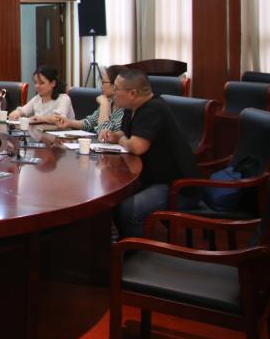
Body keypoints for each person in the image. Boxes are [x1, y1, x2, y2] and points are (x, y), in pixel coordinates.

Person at [104, 68, 200, 238]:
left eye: (116, 88)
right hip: (150, 178)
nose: (113, 92)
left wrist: (121, 139)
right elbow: (125, 134)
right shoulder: (131, 108)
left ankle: (135, 250)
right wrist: (115, 136)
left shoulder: (153, 109)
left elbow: (137, 146)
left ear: (133, 93)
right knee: (111, 199)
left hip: (175, 187)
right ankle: (119, 243)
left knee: (129, 209)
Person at [54, 65, 126, 133]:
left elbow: (104, 133)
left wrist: (104, 104)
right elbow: (89, 122)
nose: (101, 86)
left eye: (103, 82)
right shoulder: (110, 102)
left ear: (115, 85)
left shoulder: (125, 109)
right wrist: (68, 122)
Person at [9, 65, 74, 124]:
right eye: (35, 83)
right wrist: (17, 112)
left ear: (53, 83)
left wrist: (41, 118)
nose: (37, 86)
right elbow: (23, 111)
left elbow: (60, 119)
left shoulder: (64, 99)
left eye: (41, 83)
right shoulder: (37, 98)